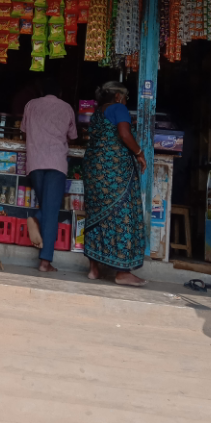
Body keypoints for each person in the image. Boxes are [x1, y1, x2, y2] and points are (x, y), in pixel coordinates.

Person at [82, 81, 147, 287]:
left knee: (96, 216)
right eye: (125, 98)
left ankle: (94, 270)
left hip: (93, 171)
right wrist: (139, 153)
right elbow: (124, 134)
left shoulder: (96, 114)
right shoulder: (119, 108)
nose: (126, 101)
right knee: (122, 214)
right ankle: (122, 272)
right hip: (114, 172)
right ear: (118, 96)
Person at [20, 78, 77, 273]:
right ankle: (45, 262)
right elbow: (73, 136)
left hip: (35, 162)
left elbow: (24, 130)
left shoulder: (31, 105)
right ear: (60, 93)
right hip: (56, 163)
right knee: (51, 211)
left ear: (41, 91)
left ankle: (37, 218)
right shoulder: (66, 108)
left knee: (46, 207)